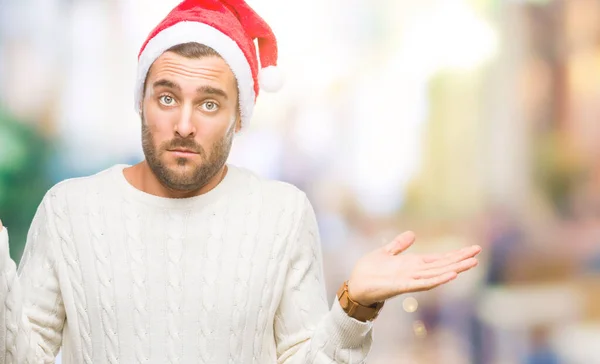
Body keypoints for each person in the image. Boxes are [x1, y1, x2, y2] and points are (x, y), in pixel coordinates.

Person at [0, 0, 481, 362]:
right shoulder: (69, 209)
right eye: (166, 98)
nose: (184, 124)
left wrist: (355, 307)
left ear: (239, 118)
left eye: (209, 104)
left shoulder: (281, 214)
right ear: (141, 101)